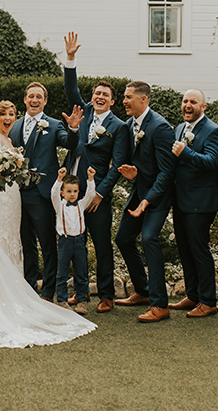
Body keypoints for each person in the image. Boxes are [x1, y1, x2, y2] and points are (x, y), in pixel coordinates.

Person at [0, 101, 96, 348]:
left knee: (14, 240)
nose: (8, 118)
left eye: (11, 114)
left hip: (14, 195)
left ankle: (15, 292)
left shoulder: (11, 138)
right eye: (3, 114)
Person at [61, 32, 130, 312]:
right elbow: (70, 90)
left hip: (96, 192)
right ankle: (80, 292)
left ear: (112, 101)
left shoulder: (119, 127)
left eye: (105, 95)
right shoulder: (85, 111)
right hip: (72, 192)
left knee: (101, 244)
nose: (99, 97)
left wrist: (101, 192)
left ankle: (106, 295)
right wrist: (71, 58)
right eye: (96, 94)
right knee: (76, 243)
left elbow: (118, 164)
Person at [8, 83, 80, 300]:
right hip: (18, 193)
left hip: (42, 194)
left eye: (39, 97)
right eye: (31, 96)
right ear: (25, 99)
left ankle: (48, 292)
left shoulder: (54, 124)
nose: (34, 100)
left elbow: (69, 143)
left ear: (45, 101)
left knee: (48, 245)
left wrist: (74, 129)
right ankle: (29, 290)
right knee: (26, 244)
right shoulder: (15, 126)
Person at [113, 81, 177, 323]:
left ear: (144, 99)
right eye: (125, 97)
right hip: (140, 190)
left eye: (129, 97)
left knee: (149, 239)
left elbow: (166, 172)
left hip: (158, 196)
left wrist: (147, 200)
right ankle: (142, 291)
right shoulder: (130, 125)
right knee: (123, 238)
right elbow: (141, 163)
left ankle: (160, 305)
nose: (124, 101)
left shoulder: (160, 128)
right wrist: (134, 174)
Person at [168, 89, 218, 319]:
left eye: (193, 102)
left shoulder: (213, 131)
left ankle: (208, 300)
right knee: (185, 248)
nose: (187, 105)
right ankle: (192, 294)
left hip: (201, 202)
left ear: (204, 107)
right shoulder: (180, 128)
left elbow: (212, 162)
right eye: (185, 101)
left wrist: (185, 152)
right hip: (181, 199)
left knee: (199, 249)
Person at [51, 166, 97, 314]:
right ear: (63, 192)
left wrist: (90, 179)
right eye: (69, 191)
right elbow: (53, 194)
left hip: (79, 241)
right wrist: (59, 179)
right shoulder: (59, 205)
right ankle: (63, 301)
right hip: (65, 242)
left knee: (81, 272)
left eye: (75, 191)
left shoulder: (81, 204)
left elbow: (90, 194)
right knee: (62, 273)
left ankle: (82, 301)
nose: (72, 194)